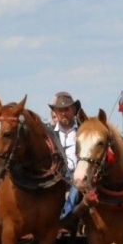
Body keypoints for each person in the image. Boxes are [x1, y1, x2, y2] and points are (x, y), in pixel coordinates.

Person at [48, 91, 82, 221]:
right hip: (56, 175)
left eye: (66, 109)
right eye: (60, 110)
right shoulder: (48, 134)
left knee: (76, 186)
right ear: (55, 112)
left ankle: (64, 217)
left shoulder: (82, 130)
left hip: (78, 175)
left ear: (73, 110)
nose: (63, 113)